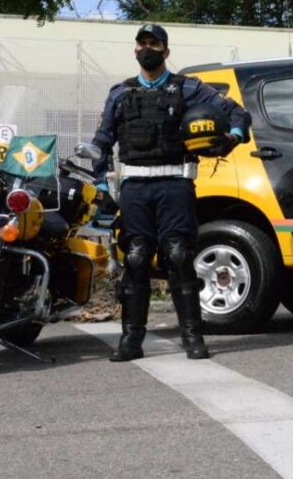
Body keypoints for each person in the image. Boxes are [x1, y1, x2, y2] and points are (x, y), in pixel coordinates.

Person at [91, 23, 250, 362]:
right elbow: (101, 143)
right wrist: (102, 186)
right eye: (142, 43)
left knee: (178, 256)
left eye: (154, 43)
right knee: (135, 259)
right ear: (135, 50)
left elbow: (237, 112)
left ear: (166, 50)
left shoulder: (188, 89)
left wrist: (232, 136)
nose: (147, 48)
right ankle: (131, 341)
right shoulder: (120, 93)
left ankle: (193, 337)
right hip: (134, 187)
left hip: (175, 185)